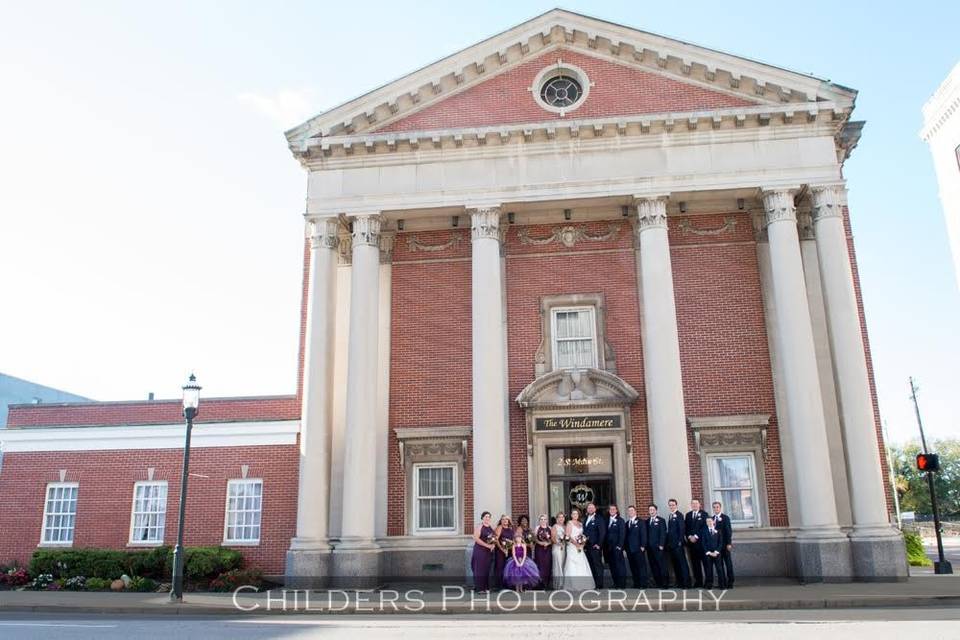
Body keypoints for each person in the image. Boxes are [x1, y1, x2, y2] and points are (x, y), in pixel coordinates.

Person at [562, 508, 594, 590]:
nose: (575, 515)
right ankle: (573, 584)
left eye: (576, 514)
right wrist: (575, 543)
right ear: (571, 515)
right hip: (572, 547)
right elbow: (567, 536)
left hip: (580, 547)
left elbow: (582, 536)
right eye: (573, 514)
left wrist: (582, 543)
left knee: (581, 563)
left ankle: (583, 584)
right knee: (572, 565)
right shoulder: (569, 523)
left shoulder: (580, 524)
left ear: (578, 515)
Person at [666, 498, 691, 588]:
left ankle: (686, 583)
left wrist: (680, 542)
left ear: (676, 505)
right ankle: (679, 582)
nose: (671, 506)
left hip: (678, 544)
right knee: (675, 564)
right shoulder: (670, 515)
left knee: (682, 563)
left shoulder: (679, 515)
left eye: (673, 505)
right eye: (670, 505)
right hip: (672, 545)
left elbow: (682, 529)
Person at [685, 499, 710, 588]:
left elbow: (704, 528)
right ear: (691, 505)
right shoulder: (688, 515)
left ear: (699, 504)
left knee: (705, 563)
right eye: (693, 503)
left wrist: (695, 536)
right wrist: (689, 537)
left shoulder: (704, 514)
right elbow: (686, 528)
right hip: (692, 545)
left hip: (701, 544)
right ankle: (698, 581)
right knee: (695, 564)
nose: (694, 505)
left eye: (696, 503)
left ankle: (708, 582)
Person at [582, 502, 607, 589]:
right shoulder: (585, 519)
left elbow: (602, 533)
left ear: (595, 509)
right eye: (589, 508)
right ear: (587, 509)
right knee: (591, 565)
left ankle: (599, 585)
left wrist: (599, 544)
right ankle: (593, 584)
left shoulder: (599, 518)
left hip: (595, 547)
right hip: (587, 547)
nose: (590, 509)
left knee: (597, 566)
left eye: (592, 508)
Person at [470, 511, 496, 591]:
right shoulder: (479, 526)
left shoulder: (490, 527)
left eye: (489, 517)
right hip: (480, 550)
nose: (487, 518)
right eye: (486, 517)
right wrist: (487, 545)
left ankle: (486, 587)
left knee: (486, 569)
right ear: (482, 518)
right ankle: (480, 588)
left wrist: (493, 545)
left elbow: (494, 538)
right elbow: (476, 538)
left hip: (488, 552)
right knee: (480, 569)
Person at [624, 505, 649, 588]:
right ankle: (636, 583)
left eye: (632, 510)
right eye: (629, 511)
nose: (630, 512)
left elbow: (644, 534)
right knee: (633, 567)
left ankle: (643, 584)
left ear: (635, 512)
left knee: (641, 567)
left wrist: (643, 546)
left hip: (638, 548)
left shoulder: (641, 522)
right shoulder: (627, 523)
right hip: (629, 549)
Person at [699, 514, 726, 589]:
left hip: (717, 553)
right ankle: (709, 584)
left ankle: (722, 584)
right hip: (708, 553)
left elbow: (720, 542)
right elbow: (703, 543)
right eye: (707, 521)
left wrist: (716, 551)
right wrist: (708, 552)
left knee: (719, 569)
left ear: (713, 522)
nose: (709, 523)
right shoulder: (704, 531)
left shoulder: (718, 531)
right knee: (708, 569)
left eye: (710, 521)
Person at [603, 503, 627, 588]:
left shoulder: (620, 520)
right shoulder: (606, 520)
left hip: (617, 547)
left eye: (614, 509)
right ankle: (616, 583)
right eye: (610, 509)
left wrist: (620, 546)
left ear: (616, 510)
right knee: (612, 566)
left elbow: (622, 534)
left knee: (619, 566)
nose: (612, 510)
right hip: (609, 548)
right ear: (609, 511)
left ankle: (622, 584)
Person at [712, 501, 734, 588]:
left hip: (725, 545)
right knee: (719, 565)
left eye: (717, 507)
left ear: (720, 508)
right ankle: (722, 582)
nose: (716, 508)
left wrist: (729, 543)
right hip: (717, 546)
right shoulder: (712, 518)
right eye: (714, 507)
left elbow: (729, 531)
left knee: (728, 564)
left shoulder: (725, 518)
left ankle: (730, 582)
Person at [646, 504, 668, 588]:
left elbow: (663, 533)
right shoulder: (647, 521)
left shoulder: (661, 520)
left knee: (662, 565)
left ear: (656, 510)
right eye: (650, 510)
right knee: (653, 565)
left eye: (653, 510)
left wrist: (661, 544)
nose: (651, 511)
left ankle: (665, 583)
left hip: (659, 547)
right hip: (650, 548)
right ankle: (658, 582)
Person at [492, 515, 514, 590]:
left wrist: (510, 547)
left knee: (508, 567)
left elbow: (513, 540)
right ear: (501, 521)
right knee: (500, 567)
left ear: (509, 521)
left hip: (509, 551)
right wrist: (502, 549)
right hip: (500, 551)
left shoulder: (511, 529)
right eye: (503, 519)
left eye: (506, 519)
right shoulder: (499, 528)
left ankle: (507, 584)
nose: (505, 521)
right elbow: (496, 539)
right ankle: (499, 585)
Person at [533, 514, 553, 589]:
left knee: (547, 565)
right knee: (540, 565)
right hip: (539, 549)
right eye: (541, 519)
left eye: (544, 519)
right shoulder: (537, 528)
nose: (543, 521)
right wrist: (541, 543)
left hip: (547, 549)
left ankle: (547, 583)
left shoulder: (550, 528)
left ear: (547, 520)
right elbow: (535, 539)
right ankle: (540, 583)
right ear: (539, 521)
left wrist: (548, 543)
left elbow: (552, 539)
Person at [550, 511, 567, 590]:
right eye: (559, 517)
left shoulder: (565, 526)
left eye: (562, 517)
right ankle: (558, 584)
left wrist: (564, 542)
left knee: (563, 565)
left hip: (564, 548)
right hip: (557, 548)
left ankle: (563, 583)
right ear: (557, 519)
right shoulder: (554, 526)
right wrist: (558, 543)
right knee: (558, 565)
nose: (561, 518)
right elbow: (553, 538)